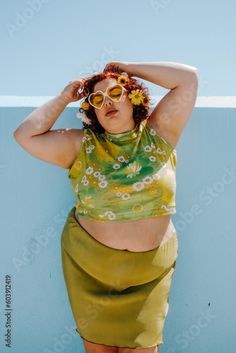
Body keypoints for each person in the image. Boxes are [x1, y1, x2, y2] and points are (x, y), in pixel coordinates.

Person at [13, 61, 199, 353]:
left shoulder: (160, 133)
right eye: (97, 100)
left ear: (133, 96)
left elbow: (188, 79)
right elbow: (25, 136)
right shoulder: (80, 145)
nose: (107, 102)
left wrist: (128, 68)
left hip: (149, 277)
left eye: (115, 93)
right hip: (91, 272)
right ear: (93, 112)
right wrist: (64, 97)